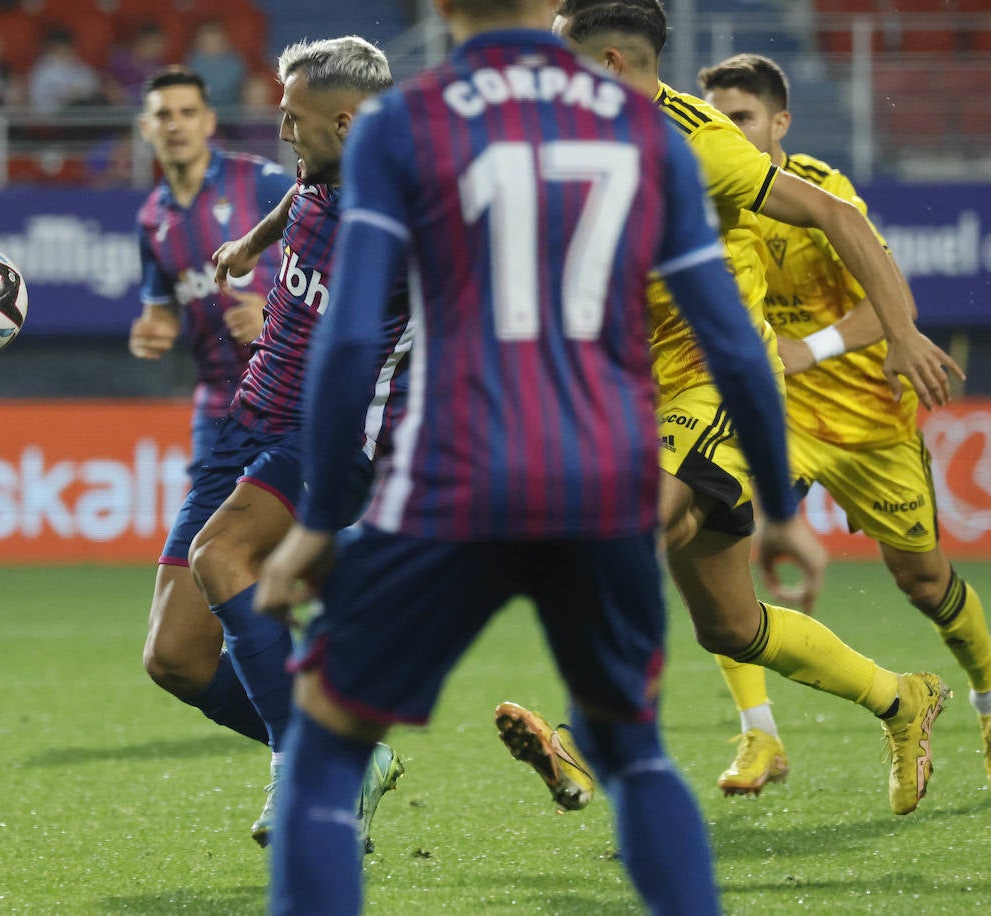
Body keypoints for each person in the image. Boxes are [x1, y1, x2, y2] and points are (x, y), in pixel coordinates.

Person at [251, 0, 803, 909]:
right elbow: (737, 345)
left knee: (323, 744)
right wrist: (778, 506)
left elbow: (350, 344)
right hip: (601, 481)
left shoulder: (403, 127)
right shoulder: (646, 132)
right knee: (632, 748)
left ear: (440, 9)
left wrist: (315, 524)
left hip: (454, 480)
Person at [492, 0, 957, 817]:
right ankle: (903, 698)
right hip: (634, 391)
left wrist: (903, 332)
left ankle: (593, 744)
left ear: (608, 69)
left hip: (714, 381)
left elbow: (836, 213)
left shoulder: (701, 145)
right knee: (730, 627)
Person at [697, 52, 991, 788]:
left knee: (924, 582)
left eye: (743, 119)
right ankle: (759, 735)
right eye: (716, 118)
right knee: (710, 530)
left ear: (780, 123)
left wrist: (810, 346)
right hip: (779, 416)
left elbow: (893, 307)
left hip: (867, 423)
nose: (727, 131)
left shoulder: (823, 194)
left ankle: (987, 696)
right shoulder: (710, 198)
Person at [178, 36, 410, 849]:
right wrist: (252, 243)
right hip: (250, 422)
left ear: (346, 122)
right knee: (176, 656)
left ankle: (308, 771)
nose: (281, 131)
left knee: (221, 558)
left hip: (326, 434)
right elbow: (303, 201)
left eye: (294, 118)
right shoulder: (322, 172)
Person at [132, 66, 291, 756]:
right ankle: (319, 739)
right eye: (161, 113)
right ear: (147, 129)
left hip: (295, 409)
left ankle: (315, 750)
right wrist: (155, 329)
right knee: (172, 653)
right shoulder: (152, 220)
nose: (174, 123)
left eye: (186, 111)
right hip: (220, 419)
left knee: (254, 565)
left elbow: (345, 256)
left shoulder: (259, 184)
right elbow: (161, 306)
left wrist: (276, 311)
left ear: (207, 122)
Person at [28, 26, 104, 115]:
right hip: (53, 116)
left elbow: (93, 83)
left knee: (99, 101)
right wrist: (79, 92)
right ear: (53, 48)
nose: (69, 51)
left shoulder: (76, 64)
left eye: (70, 47)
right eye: (63, 48)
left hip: (75, 112)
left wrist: (81, 92)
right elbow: (63, 94)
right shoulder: (44, 69)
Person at [187, 19, 248, 106]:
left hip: (233, 109)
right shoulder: (193, 64)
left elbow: (242, 89)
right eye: (207, 42)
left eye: (215, 41)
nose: (211, 46)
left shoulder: (235, 63)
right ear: (198, 42)